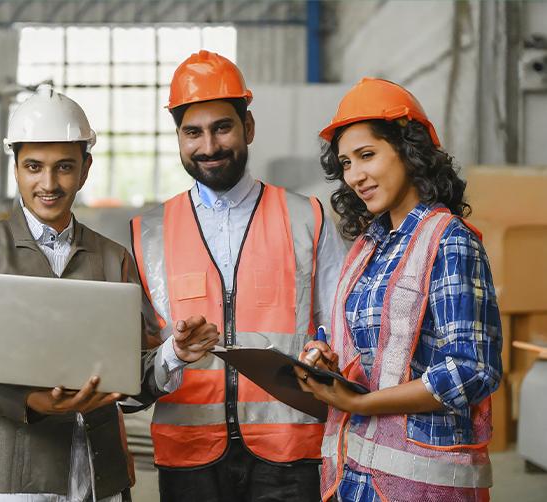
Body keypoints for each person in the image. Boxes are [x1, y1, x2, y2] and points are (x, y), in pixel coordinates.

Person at [0, 84, 220, 502]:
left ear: (85, 168)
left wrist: (174, 354)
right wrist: (37, 403)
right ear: (15, 168)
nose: (48, 183)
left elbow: (132, 379)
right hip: (11, 483)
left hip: (98, 477)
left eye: (65, 167)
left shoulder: (112, 258)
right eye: (34, 167)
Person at [130, 50, 346, 502]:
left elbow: (342, 330)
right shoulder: (147, 232)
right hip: (189, 456)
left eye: (222, 127)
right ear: (178, 138)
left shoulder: (306, 218)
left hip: (290, 453)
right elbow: (133, 361)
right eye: (193, 132)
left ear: (247, 128)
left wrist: (326, 355)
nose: (208, 146)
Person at [295, 77, 502, 501]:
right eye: (346, 163)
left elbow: (473, 369)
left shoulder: (449, 240)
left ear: (410, 152)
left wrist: (362, 404)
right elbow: (366, 349)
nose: (354, 175)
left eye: (366, 155)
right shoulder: (370, 247)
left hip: (425, 485)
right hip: (355, 477)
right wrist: (326, 361)